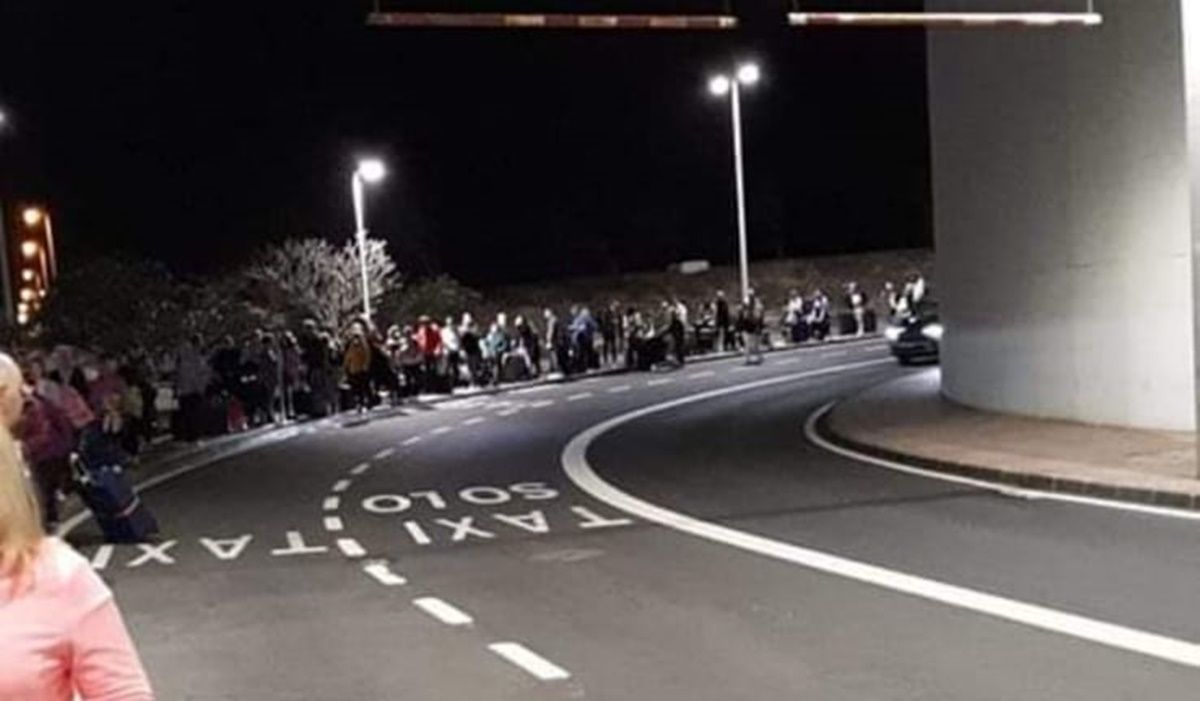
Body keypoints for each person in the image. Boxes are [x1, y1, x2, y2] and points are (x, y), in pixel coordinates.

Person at [0, 356, 155, 701]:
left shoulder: (56, 577)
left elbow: (121, 693)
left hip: (50, 457)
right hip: (49, 456)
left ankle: (50, 515)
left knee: (50, 501)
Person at [342, 331, 372, 412]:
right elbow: (348, 358)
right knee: (357, 388)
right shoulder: (351, 347)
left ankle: (368, 401)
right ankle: (360, 403)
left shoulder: (363, 347)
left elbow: (367, 357)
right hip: (354, 370)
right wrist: (346, 367)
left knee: (364, 387)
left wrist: (365, 366)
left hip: (362, 370)